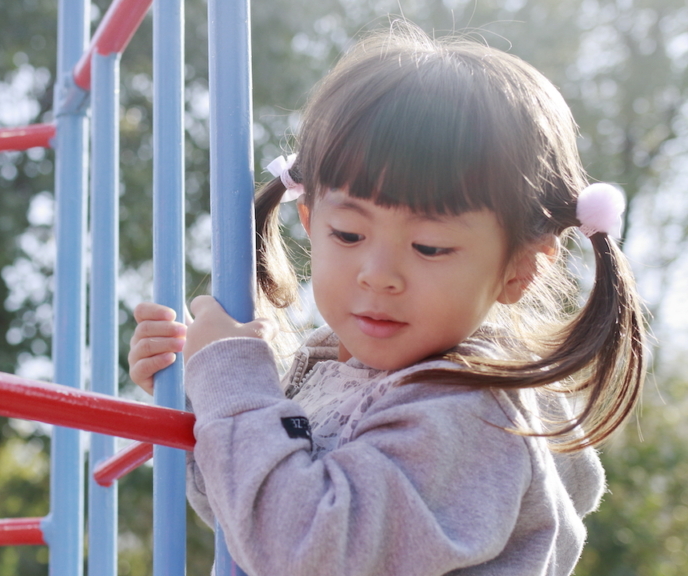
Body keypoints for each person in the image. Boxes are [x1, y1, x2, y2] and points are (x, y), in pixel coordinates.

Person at [129, 23, 646, 576]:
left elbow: (302, 550)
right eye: (348, 235)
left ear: (521, 267)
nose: (378, 276)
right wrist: (199, 396)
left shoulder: (467, 412)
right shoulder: (330, 367)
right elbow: (247, 522)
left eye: (429, 246)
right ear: (309, 220)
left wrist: (231, 381)